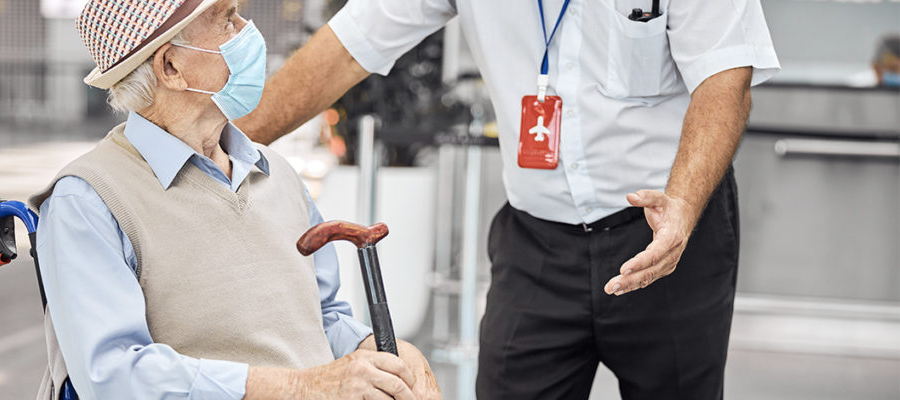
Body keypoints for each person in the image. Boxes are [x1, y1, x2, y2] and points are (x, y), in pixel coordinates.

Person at [235, 0, 780, 398]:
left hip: (667, 236)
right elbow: (347, 48)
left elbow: (725, 78)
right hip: (535, 242)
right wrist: (220, 147)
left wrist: (683, 204)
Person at [30, 0, 440, 399]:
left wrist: (378, 351)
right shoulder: (88, 201)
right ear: (171, 67)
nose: (248, 31)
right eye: (227, 20)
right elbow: (115, 376)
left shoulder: (276, 173)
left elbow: (324, 317)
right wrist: (301, 389)